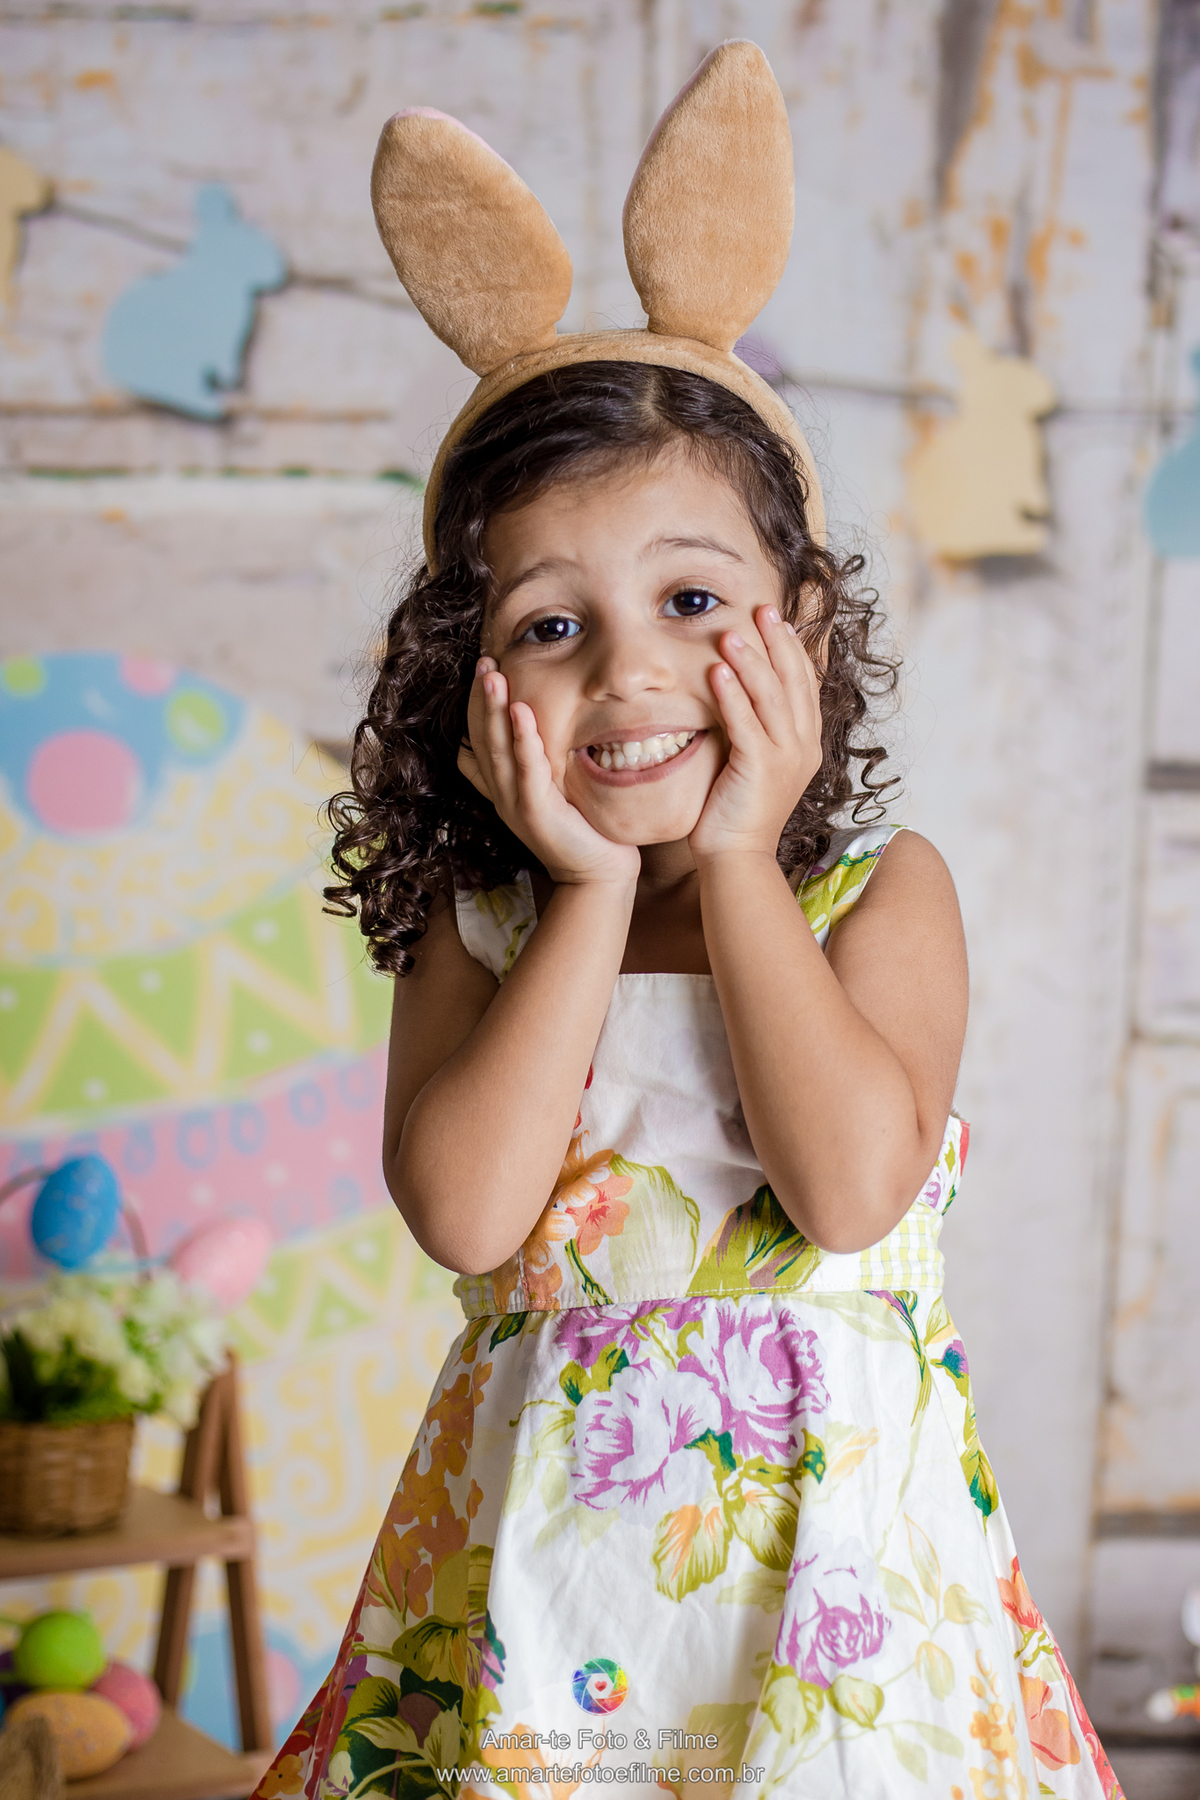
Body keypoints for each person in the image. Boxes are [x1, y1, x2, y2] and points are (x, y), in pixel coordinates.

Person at [253, 43, 1121, 1800]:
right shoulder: (486, 931)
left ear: (798, 623)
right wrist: (579, 888)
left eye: (692, 599)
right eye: (552, 626)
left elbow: (851, 1186)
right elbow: (468, 1216)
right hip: (536, 1592)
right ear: (469, 673)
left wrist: (734, 860)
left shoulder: (879, 896)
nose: (631, 669)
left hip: (843, 1600)